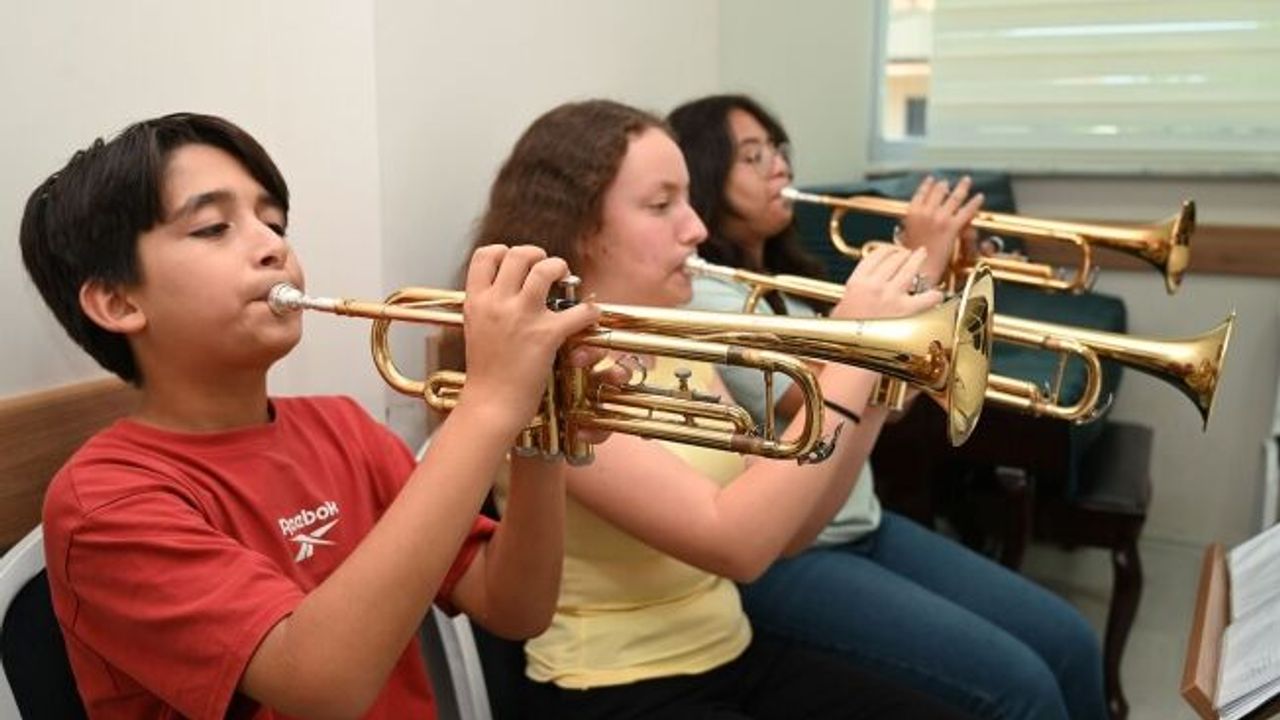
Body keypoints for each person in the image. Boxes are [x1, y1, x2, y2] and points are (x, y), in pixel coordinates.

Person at [18, 112, 605, 719]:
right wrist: (489, 403)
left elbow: (515, 607)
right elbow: (322, 685)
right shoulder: (103, 503)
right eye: (214, 227)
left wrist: (538, 434)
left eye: (274, 223)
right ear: (118, 302)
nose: (273, 246)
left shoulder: (344, 428)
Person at [464, 98, 972, 720]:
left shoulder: (672, 340)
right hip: (612, 686)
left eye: (688, 200)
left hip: (729, 653)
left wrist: (874, 389)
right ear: (581, 230)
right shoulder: (549, 372)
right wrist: (854, 355)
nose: (697, 228)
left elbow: (791, 533)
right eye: (661, 205)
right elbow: (737, 545)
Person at [667, 93, 1109, 720]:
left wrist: (946, 287)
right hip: (796, 554)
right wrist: (921, 259)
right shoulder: (703, 294)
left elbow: (886, 404)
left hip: (861, 520)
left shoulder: (793, 283)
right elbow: (811, 396)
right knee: (1023, 688)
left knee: (1071, 642)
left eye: (779, 150)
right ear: (705, 174)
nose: (780, 167)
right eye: (753, 156)